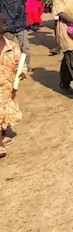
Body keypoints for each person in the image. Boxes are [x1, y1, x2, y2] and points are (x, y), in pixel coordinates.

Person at [0, 15, 26, 158]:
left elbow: (19, 62)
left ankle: (2, 134)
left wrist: (22, 71)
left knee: (6, 113)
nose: (4, 26)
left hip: (8, 87)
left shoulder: (12, 46)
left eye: (4, 24)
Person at [0, 0, 35, 70]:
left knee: (25, 48)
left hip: (20, 26)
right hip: (7, 27)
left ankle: (26, 65)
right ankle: (8, 65)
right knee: (7, 49)